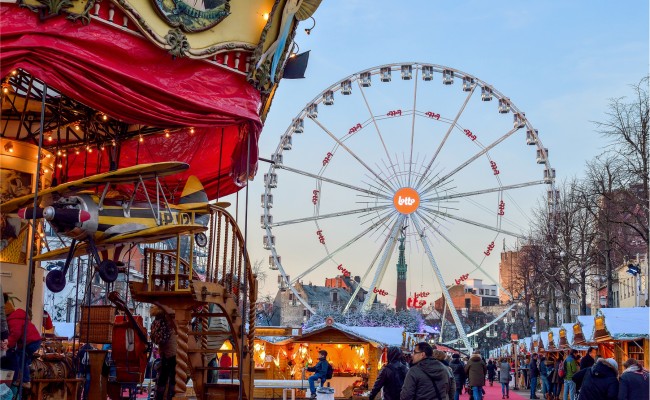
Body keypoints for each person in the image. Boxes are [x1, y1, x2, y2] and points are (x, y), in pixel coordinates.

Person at [4, 294, 42, 390]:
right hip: (33, 340)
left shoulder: (13, 320)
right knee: (22, 354)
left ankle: (25, 380)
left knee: (21, 357)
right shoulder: (18, 318)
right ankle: (29, 366)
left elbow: (15, 334)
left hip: (31, 342)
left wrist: (8, 345)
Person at [150, 305, 177, 400]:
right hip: (172, 350)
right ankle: (172, 396)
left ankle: (159, 396)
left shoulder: (157, 320)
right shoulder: (170, 318)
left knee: (163, 375)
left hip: (163, 350)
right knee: (173, 376)